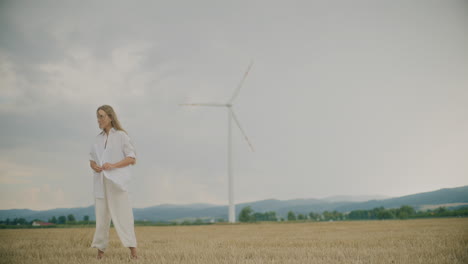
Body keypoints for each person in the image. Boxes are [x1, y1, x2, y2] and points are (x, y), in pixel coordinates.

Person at [89, 105, 138, 259]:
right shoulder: (97, 139)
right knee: (101, 218)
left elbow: (132, 158)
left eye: (101, 116)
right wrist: (95, 166)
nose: (99, 119)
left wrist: (113, 165)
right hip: (101, 182)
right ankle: (100, 255)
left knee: (124, 216)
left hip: (117, 183)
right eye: (97, 116)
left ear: (110, 117)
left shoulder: (121, 136)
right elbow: (91, 160)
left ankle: (134, 254)